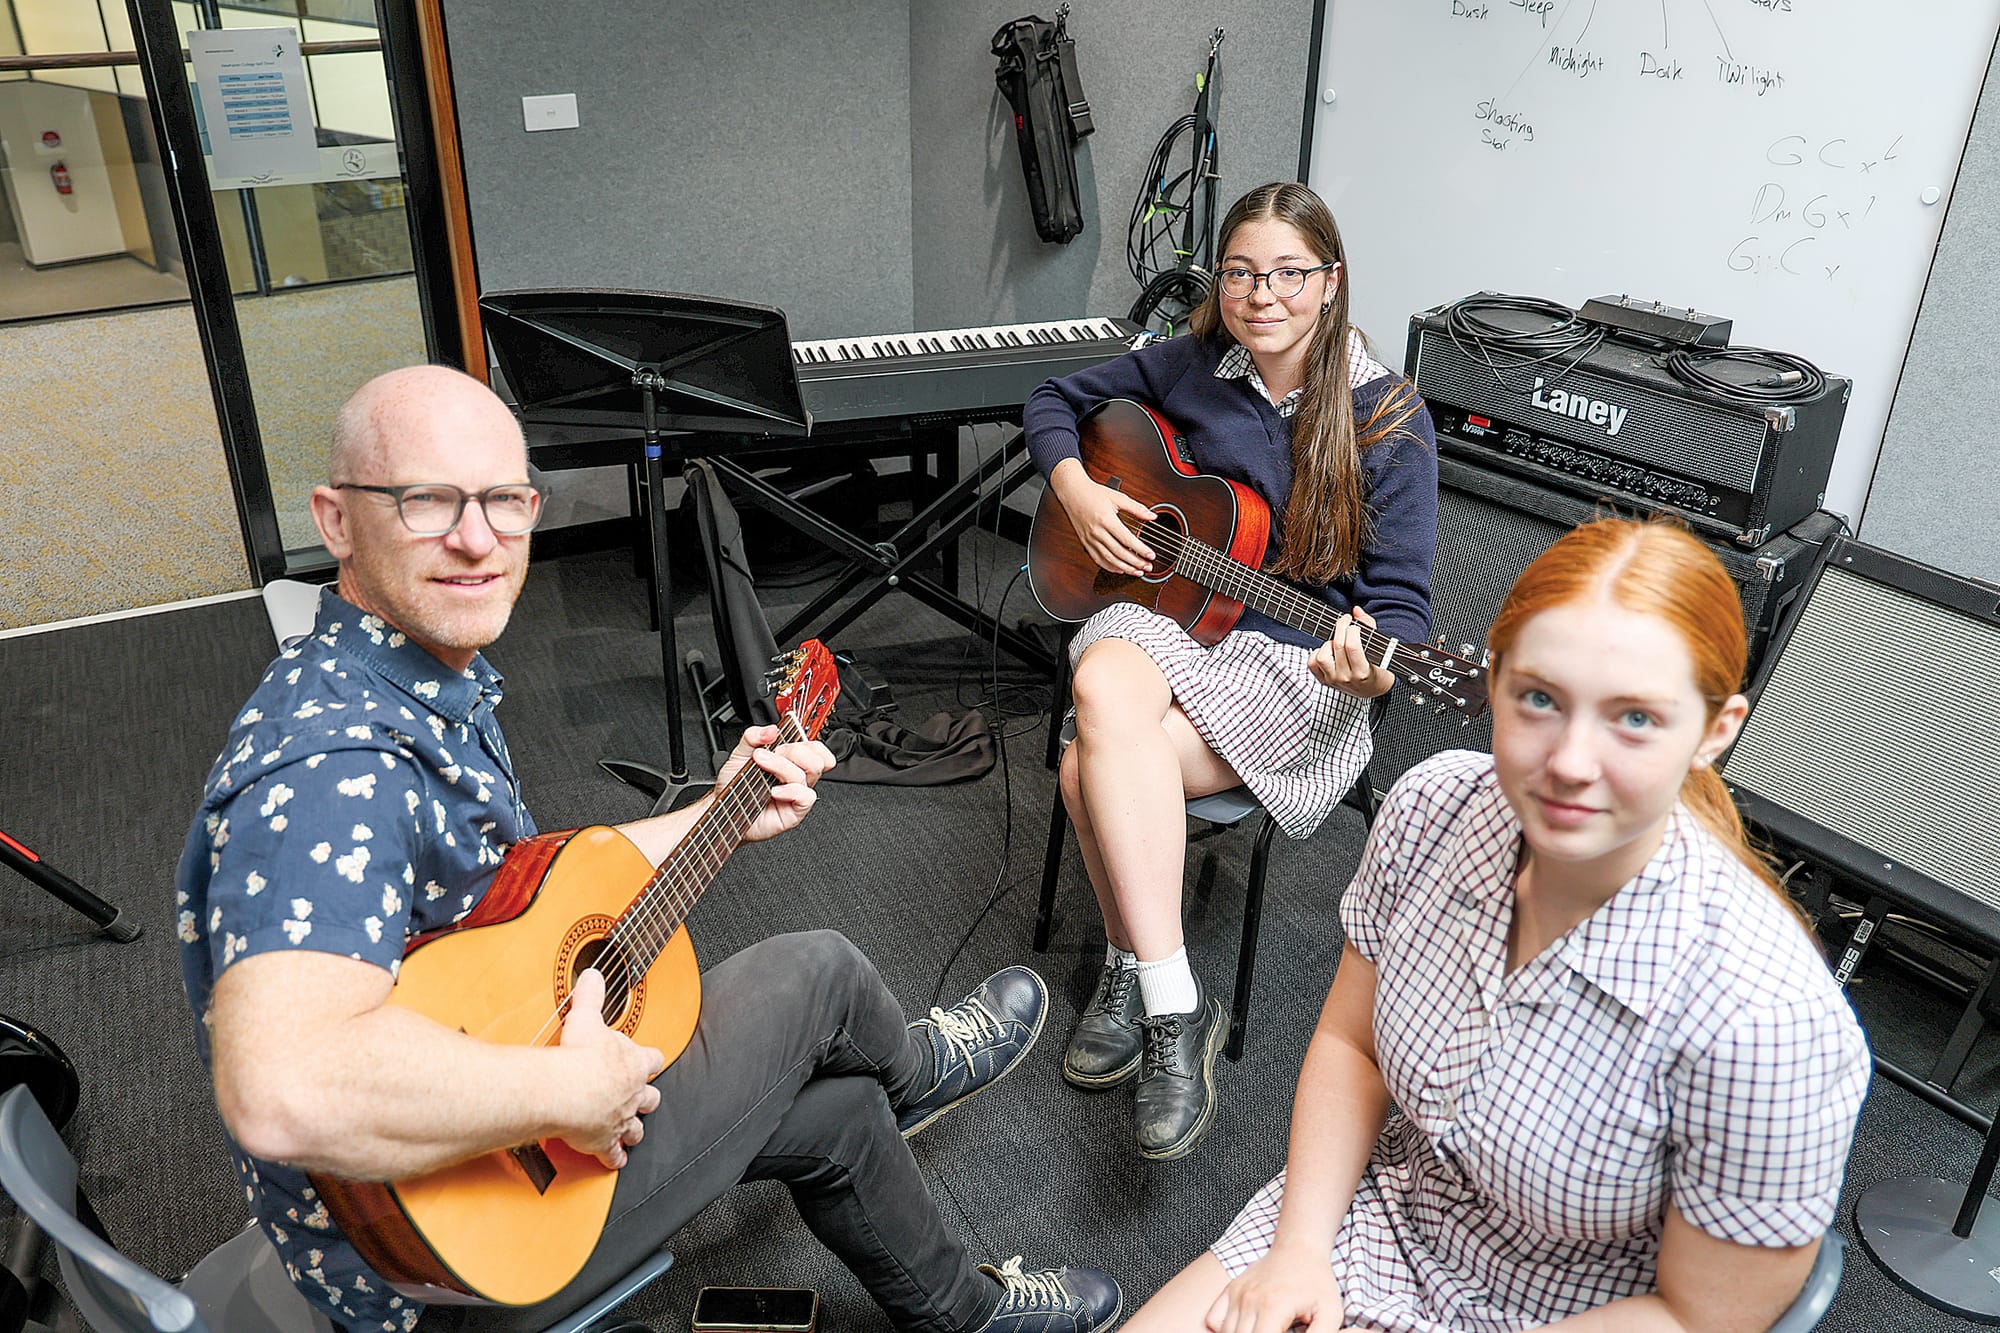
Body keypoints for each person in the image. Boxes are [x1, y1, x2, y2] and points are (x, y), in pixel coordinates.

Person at [176, 365, 1122, 1333]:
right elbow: (284, 1091)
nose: (477, 537)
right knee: (818, 972)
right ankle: (915, 1072)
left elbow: (513, 896)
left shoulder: (399, 678)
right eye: (426, 501)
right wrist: (567, 1088)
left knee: (833, 1111)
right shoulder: (338, 772)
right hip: (437, 1271)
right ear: (335, 520)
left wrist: (714, 811)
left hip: (429, 1188)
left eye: (505, 499)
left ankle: (957, 1308)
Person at [1119, 517, 1872, 1333]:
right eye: (1540, 699)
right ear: (1495, 683)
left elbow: (1694, 1316)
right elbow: (1354, 1043)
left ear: (1714, 732)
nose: (1572, 762)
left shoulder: (1772, 1020)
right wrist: (1299, 1249)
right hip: (1375, 1219)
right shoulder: (1434, 806)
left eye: (1635, 719)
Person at [1021, 181, 1437, 1160]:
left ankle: (1132, 965)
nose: (1261, 295)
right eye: (1240, 272)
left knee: (1090, 761)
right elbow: (1050, 401)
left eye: (1288, 274)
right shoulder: (1192, 363)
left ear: (1329, 283)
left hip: (1298, 666)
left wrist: (1369, 675)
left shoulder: (1385, 416)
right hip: (1184, 625)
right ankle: (1176, 1002)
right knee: (1101, 687)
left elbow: (1404, 616)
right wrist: (1077, 490)